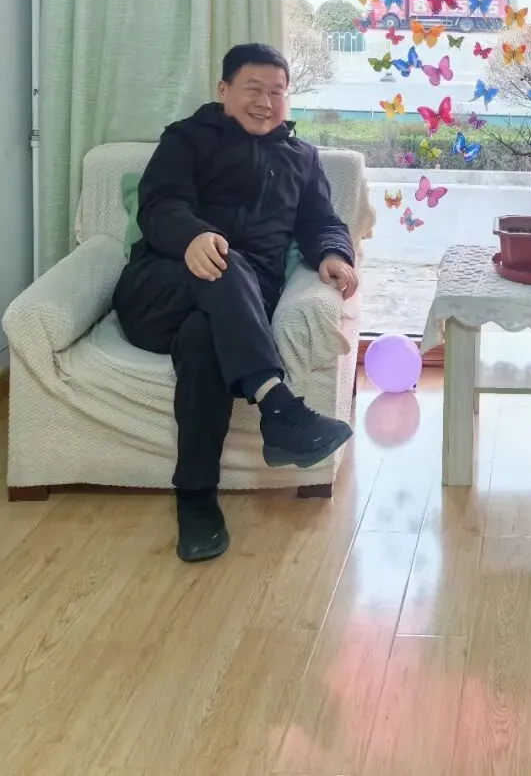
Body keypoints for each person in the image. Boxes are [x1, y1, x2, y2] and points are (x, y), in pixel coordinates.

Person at [113, 43, 358, 564]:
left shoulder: (302, 158)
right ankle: (278, 408)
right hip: (159, 290)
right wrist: (192, 237)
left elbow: (321, 222)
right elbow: (158, 205)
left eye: (277, 92)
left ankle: (196, 500)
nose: (266, 102)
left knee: (204, 338)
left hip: (235, 311)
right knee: (225, 259)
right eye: (253, 89)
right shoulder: (187, 139)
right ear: (224, 90)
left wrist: (334, 254)